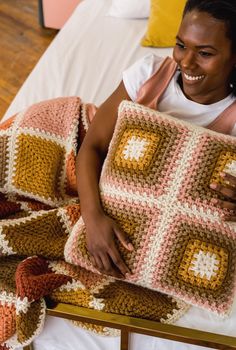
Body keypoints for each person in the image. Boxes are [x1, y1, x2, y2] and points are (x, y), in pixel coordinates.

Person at [76, 0, 236, 278]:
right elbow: (92, 146)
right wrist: (92, 219)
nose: (185, 62)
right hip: (97, 194)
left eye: (205, 53)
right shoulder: (149, 75)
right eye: (181, 45)